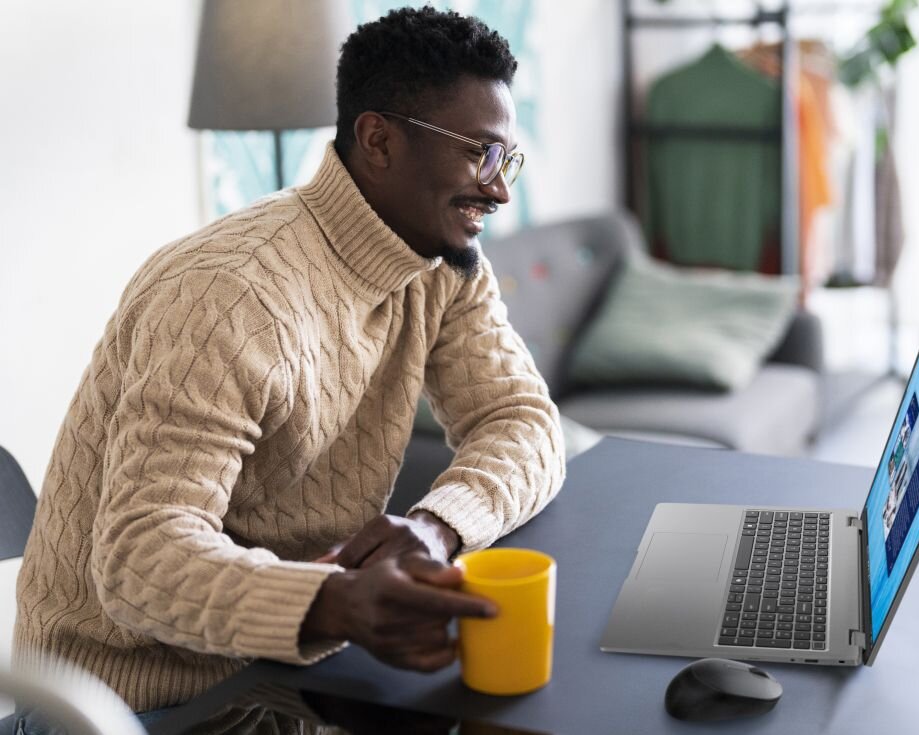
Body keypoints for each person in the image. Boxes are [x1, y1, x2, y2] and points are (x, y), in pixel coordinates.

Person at [10, 5, 565, 727]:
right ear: (378, 140)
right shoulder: (229, 293)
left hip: (288, 675)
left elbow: (521, 420)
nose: (499, 189)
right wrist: (332, 601)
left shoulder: (441, 264)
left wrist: (436, 526)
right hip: (126, 707)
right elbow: (139, 559)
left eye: (506, 160)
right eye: (479, 154)